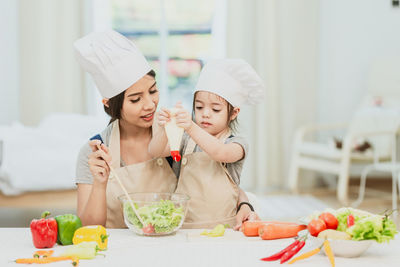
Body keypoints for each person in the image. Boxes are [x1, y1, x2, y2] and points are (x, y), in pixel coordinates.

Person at [73, 30, 177, 228]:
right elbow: (88, 228)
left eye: (153, 91)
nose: (150, 104)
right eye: (135, 99)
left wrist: (244, 203)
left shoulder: (173, 135)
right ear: (109, 104)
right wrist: (99, 183)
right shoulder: (94, 152)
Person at [148, 59, 264, 229]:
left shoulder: (237, 144)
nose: (205, 114)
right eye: (199, 107)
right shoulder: (186, 139)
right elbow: (155, 151)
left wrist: (191, 126)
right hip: (183, 226)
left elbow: (220, 153)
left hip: (224, 229)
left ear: (234, 113)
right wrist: (165, 129)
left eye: (215, 109)